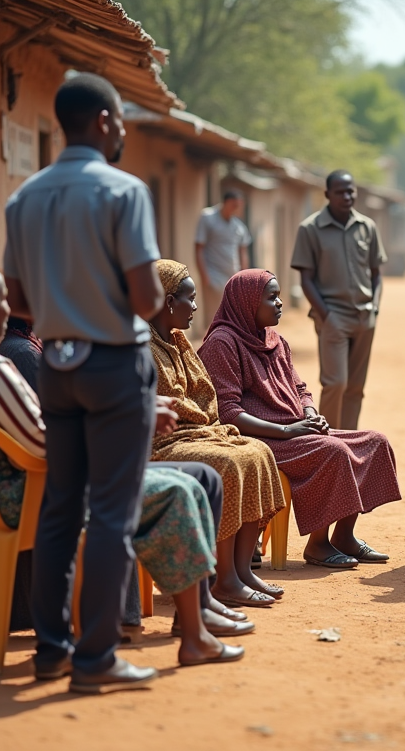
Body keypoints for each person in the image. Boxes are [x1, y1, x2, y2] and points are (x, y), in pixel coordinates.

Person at [0, 262, 245, 683]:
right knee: (177, 489)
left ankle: (193, 623)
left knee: (178, 481)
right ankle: (191, 636)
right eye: (2, 302)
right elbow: (48, 442)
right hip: (23, 498)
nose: (9, 310)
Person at [2, 73, 165, 693]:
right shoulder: (125, 192)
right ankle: (96, 657)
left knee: (59, 509)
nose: (123, 130)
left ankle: (51, 650)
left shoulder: (25, 198)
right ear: (102, 121)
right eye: (121, 119)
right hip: (115, 364)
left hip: (58, 365)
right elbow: (149, 298)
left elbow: (16, 296)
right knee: (112, 515)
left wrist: (64, 304)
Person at [0, 316, 254, 639]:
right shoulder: (22, 354)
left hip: (80, 467)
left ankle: (203, 599)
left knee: (206, 477)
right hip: (69, 478)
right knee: (185, 486)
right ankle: (190, 626)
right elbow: (54, 435)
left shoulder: (37, 348)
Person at [199, 269, 402, 569]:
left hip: (296, 430)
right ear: (247, 303)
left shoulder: (276, 340)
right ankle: (318, 545)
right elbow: (228, 412)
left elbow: (300, 388)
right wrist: (286, 430)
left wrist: (310, 413)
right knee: (332, 452)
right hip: (260, 439)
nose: (280, 302)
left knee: (375, 442)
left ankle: (344, 536)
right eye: (272, 297)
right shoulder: (222, 344)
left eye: (279, 295)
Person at [148, 260, 285, 609]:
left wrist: (200, 419)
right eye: (189, 299)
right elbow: (170, 405)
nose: (195, 307)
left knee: (257, 452)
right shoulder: (143, 348)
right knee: (227, 463)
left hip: (197, 433)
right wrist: (197, 417)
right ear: (166, 302)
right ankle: (223, 578)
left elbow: (205, 394)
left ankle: (241, 570)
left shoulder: (178, 341)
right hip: (161, 444)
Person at [291, 170, 386, 430]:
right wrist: (327, 316)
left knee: (355, 388)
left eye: (350, 190)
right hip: (333, 316)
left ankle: (349, 439)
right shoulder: (310, 229)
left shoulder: (367, 227)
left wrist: (375, 307)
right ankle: (329, 443)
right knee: (335, 383)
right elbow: (306, 279)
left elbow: (376, 273)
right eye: (340, 192)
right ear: (327, 195)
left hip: (365, 317)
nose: (347, 196)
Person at [195, 191, 251, 328]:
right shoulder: (208, 218)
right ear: (225, 202)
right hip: (213, 276)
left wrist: (244, 276)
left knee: (234, 318)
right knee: (214, 317)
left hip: (232, 278)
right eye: (234, 205)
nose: (236, 208)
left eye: (239, 206)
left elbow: (242, 252)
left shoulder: (239, 227)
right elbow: (198, 248)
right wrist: (204, 276)